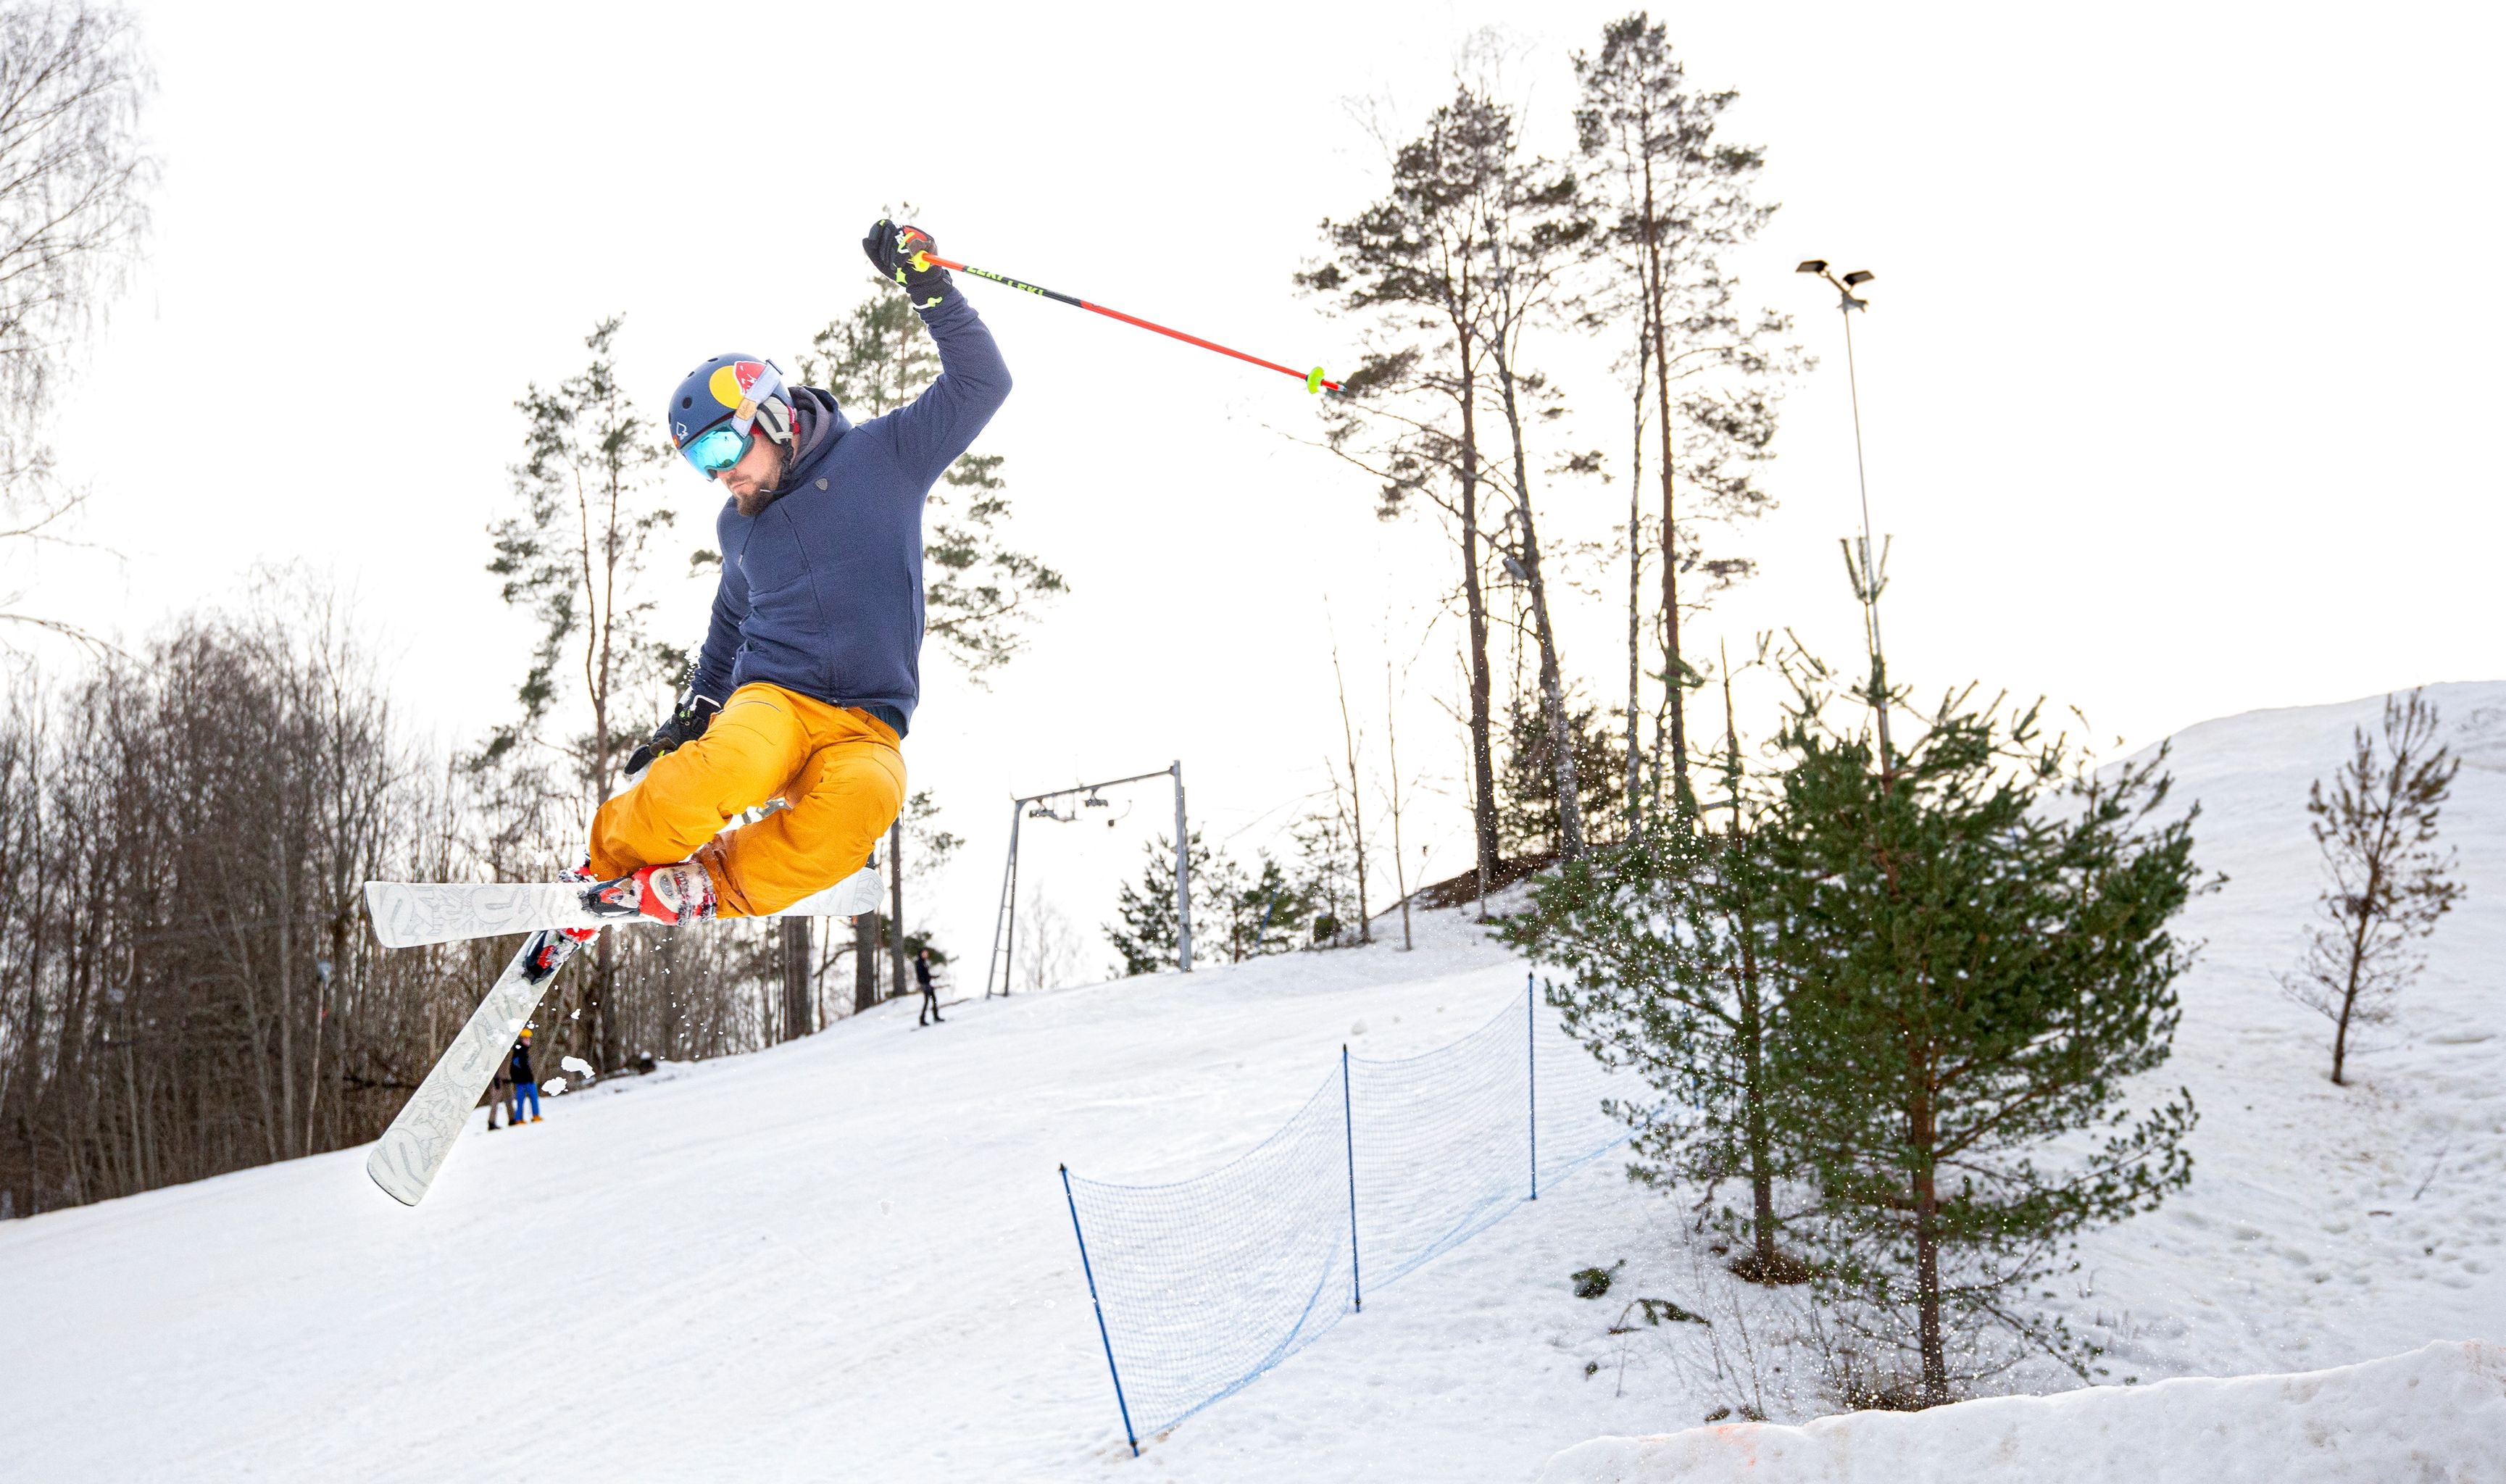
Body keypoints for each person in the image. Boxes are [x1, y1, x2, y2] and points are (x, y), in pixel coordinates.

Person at [575, 220, 1010, 930]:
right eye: (698, 460)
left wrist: (929, 291)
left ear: (769, 412)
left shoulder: (884, 458)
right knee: (731, 765)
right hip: (774, 697)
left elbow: (981, 382)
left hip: (867, 725)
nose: (718, 471)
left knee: (865, 803)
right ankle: (608, 861)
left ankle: (711, 884)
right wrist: (695, 709)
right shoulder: (739, 523)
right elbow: (728, 623)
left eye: (720, 443)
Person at [509, 1027, 542, 1125]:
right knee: (530, 1098)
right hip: (524, 1081)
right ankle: (529, 1117)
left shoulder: (520, 1051)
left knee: (522, 1100)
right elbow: (517, 1067)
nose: (529, 1041)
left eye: (529, 1039)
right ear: (522, 1039)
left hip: (522, 1081)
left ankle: (520, 1118)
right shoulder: (520, 1053)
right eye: (526, 1039)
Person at [915, 947, 943, 1026]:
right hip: (925, 985)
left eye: (926, 953)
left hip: (927, 984)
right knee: (927, 1002)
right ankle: (922, 1019)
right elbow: (920, 975)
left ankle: (935, 1016)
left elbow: (926, 974)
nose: (926, 954)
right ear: (921, 954)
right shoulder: (919, 963)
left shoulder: (924, 962)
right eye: (924, 953)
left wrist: (933, 977)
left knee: (934, 1000)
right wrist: (925, 981)